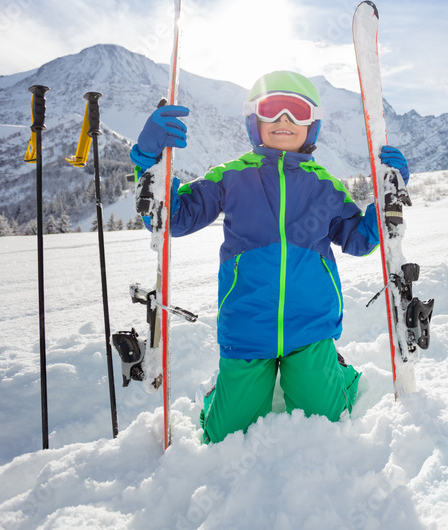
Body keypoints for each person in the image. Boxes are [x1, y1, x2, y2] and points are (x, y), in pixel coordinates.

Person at [130, 70, 410, 444]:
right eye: (272, 111)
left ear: (311, 125)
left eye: (296, 112)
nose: (283, 121)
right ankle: (223, 391)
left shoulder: (325, 185)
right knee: (223, 434)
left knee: (326, 416)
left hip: (309, 327)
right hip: (247, 327)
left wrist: (388, 198)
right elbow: (171, 219)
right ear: (253, 121)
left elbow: (359, 240)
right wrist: (148, 159)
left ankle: (336, 372)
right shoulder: (231, 177)